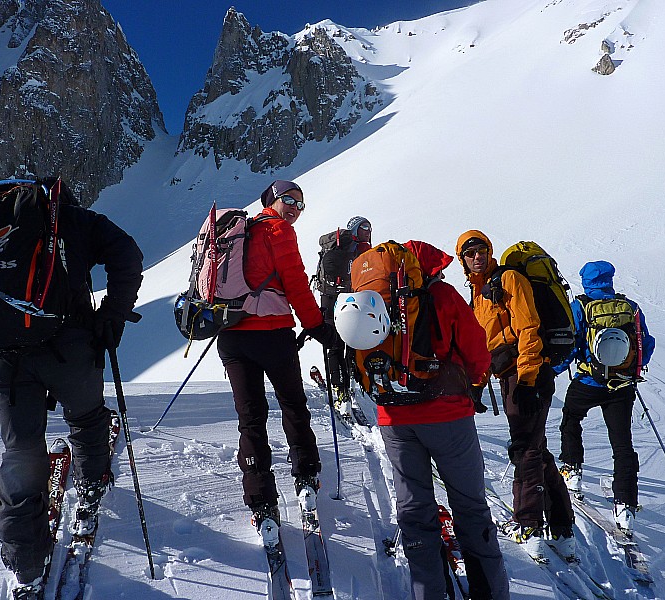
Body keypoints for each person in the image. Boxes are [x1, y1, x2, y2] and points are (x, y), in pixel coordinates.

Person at [0, 179, 143, 597]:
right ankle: (90, 487)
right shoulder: (70, 219)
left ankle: (26, 562)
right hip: (70, 348)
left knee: (21, 450)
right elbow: (127, 253)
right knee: (87, 419)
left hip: (3, 359)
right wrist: (112, 314)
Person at [346, 240, 510, 600]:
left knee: (414, 510)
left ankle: (428, 592)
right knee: (470, 507)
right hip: (448, 416)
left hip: (394, 417)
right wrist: (474, 381)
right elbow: (477, 351)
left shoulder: (373, 298)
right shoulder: (443, 295)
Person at [216, 179, 336, 535]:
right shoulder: (278, 230)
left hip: (232, 335)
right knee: (293, 405)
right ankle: (306, 474)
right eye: (289, 200)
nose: (295, 208)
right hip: (272, 334)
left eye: (300, 204)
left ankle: (260, 499)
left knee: (250, 418)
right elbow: (295, 282)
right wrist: (316, 326)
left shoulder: (237, 233)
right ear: (271, 201)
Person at [455, 230, 575, 562]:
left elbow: (529, 328)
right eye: (469, 253)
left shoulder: (508, 279)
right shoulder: (479, 292)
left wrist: (527, 380)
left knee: (525, 450)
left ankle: (529, 525)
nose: (477, 256)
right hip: (511, 377)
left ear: (489, 251)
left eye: (481, 250)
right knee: (535, 449)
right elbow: (486, 345)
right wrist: (477, 384)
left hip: (528, 375)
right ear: (462, 260)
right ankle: (563, 529)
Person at [557, 260, 655, 535]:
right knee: (622, 444)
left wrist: (554, 369)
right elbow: (646, 344)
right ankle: (625, 505)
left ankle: (572, 470)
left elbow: (571, 344)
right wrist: (630, 369)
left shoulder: (581, 306)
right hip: (622, 386)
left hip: (588, 382)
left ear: (586, 280)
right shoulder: (630, 307)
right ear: (610, 279)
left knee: (571, 419)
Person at [317, 215, 372, 412]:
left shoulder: (342, 248)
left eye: (369, 228)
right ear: (355, 229)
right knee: (350, 341)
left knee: (335, 344)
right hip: (350, 299)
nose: (368, 231)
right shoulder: (359, 249)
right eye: (364, 227)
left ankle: (340, 386)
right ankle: (349, 384)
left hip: (329, 297)